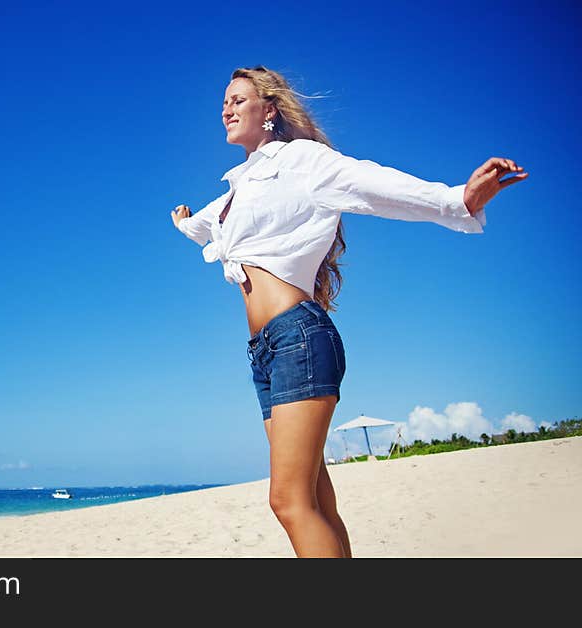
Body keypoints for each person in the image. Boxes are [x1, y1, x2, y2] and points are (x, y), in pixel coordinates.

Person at [170, 66, 527, 558]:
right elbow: (208, 225)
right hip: (265, 352)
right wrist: (186, 224)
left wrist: (455, 201)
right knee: (316, 500)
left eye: (237, 99)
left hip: (298, 338)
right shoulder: (235, 190)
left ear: (270, 109)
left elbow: (372, 184)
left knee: (288, 502)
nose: (225, 108)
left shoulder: (303, 161)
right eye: (223, 102)